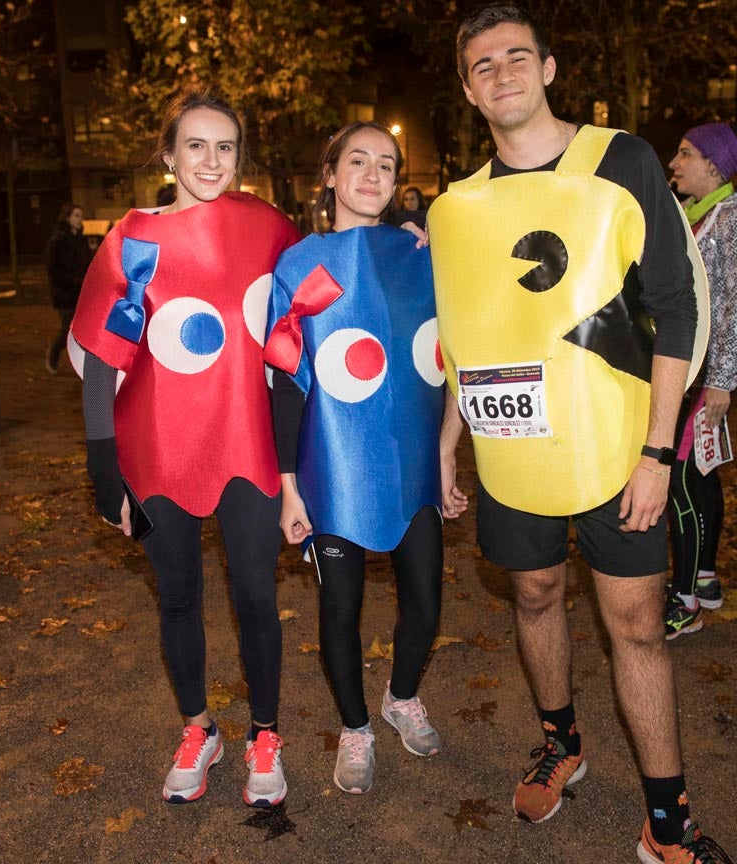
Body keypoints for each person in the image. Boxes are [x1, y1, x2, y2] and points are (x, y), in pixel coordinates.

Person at [429, 6, 733, 863]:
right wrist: (450, 441)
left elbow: (677, 309)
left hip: (617, 449)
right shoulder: (463, 205)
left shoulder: (623, 159)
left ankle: (666, 817)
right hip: (514, 448)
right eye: (483, 65)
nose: (502, 73)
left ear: (550, 67)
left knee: (635, 622)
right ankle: (563, 740)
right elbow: (469, 336)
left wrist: (657, 452)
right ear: (467, 89)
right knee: (532, 595)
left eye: (517, 56)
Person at [70, 88, 300, 808]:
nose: (211, 160)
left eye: (225, 146)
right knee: (178, 596)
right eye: (194, 145)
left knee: (257, 597)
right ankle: (199, 729)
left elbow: (320, 306)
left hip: (247, 443)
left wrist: (404, 238)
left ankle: (266, 734)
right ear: (168, 155)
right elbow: (101, 359)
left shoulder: (269, 228)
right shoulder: (132, 236)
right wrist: (103, 467)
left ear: (241, 156)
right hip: (159, 447)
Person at [263, 122, 445, 796]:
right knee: (339, 608)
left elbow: (446, 359)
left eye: (388, 165)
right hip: (333, 469)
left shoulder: (419, 254)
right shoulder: (300, 264)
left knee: (425, 600)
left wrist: (449, 456)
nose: (374, 175)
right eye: (358, 161)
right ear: (331, 175)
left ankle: (400, 698)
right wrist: (290, 488)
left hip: (414, 466)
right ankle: (356, 728)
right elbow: (286, 380)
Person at [665, 124, 737, 642]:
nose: (675, 162)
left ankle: (682, 600)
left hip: (708, 375)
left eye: (686, 154)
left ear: (715, 165)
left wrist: (723, 381)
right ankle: (703, 576)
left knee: (679, 477)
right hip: (692, 370)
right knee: (702, 474)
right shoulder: (698, 215)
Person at [44, 202, 93, 374]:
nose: (80, 219)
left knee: (85, 328)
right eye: (76, 215)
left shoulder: (81, 239)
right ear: (67, 218)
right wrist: (72, 281)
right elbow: (53, 268)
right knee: (68, 328)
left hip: (81, 292)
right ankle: (54, 351)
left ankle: (82, 364)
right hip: (64, 294)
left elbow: (88, 261)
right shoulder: (57, 241)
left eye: (81, 215)